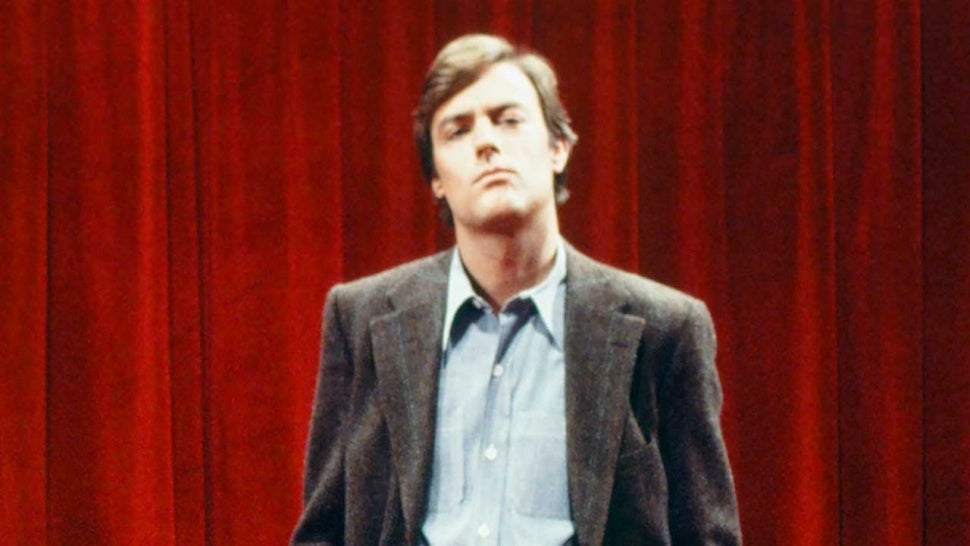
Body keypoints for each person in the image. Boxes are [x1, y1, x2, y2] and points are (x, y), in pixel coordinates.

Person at [292, 33, 741, 545]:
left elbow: (708, 535)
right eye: (458, 130)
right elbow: (323, 531)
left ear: (558, 148)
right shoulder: (361, 318)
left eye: (508, 119)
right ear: (436, 179)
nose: (486, 142)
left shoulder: (665, 329)